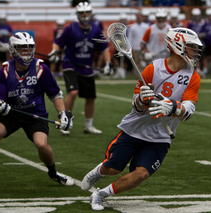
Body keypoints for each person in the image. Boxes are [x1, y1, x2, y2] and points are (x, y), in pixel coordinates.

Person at [80, 27, 203, 211]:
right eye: (191, 47)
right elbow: (136, 107)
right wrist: (142, 99)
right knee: (113, 168)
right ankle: (99, 171)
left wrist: (173, 107)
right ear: (177, 46)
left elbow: (189, 109)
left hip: (160, 136)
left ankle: (101, 194)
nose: (194, 52)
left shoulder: (193, 76)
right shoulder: (153, 68)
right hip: (135, 129)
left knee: (141, 174)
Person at [0, 32, 74, 186]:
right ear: (13, 50)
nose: (26, 52)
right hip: (12, 113)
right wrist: (0, 106)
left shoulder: (41, 68)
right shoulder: (5, 70)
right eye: (22, 48)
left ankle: (53, 173)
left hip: (35, 114)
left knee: (41, 144)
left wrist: (63, 114)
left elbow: (55, 94)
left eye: (29, 48)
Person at [48, 2, 113, 135]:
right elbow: (58, 43)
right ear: (78, 14)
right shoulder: (70, 28)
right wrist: (54, 52)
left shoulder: (95, 29)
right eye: (82, 13)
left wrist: (107, 63)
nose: (85, 15)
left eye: (87, 12)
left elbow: (104, 47)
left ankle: (88, 126)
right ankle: (65, 122)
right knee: (73, 92)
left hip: (86, 67)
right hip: (70, 65)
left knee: (91, 97)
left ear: (90, 13)